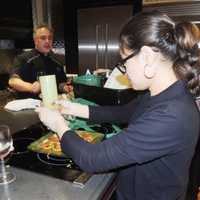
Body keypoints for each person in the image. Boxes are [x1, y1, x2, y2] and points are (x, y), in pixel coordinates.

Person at [36, 11, 200, 200]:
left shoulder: (172, 115)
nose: (123, 70)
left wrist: (58, 125)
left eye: (124, 61)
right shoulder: (160, 94)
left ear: (147, 57)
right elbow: (122, 112)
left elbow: (93, 159)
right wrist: (72, 108)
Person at [8, 24, 67, 99]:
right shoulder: (23, 58)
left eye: (50, 38)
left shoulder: (56, 61)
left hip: (52, 105)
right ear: (35, 41)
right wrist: (31, 87)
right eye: (43, 38)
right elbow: (13, 81)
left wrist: (64, 87)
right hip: (30, 105)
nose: (47, 41)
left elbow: (60, 83)